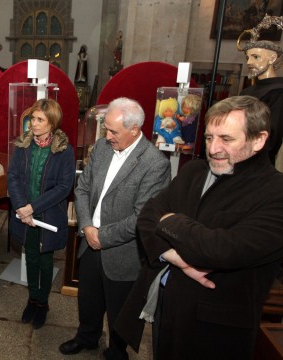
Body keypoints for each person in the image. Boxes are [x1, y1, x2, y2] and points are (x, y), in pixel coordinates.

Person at [114, 96, 283, 360]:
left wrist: (170, 220)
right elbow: (147, 217)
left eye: (226, 139)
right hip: (167, 307)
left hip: (215, 330)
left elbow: (223, 249)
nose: (214, 148)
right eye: (208, 138)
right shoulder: (194, 170)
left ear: (258, 140)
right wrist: (174, 257)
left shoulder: (275, 191)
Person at [59, 97, 171, 359]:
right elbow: (83, 187)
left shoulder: (155, 164)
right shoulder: (102, 147)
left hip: (123, 253)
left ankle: (117, 350)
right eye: (106, 128)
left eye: (113, 131)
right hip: (90, 242)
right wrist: (87, 227)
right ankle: (87, 337)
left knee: (120, 308)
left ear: (134, 130)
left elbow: (141, 217)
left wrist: (103, 236)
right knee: (88, 299)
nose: (107, 135)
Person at [7, 99, 75, 329]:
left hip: (47, 216)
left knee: (46, 262)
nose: (33, 124)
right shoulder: (23, 145)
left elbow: (64, 187)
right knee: (31, 258)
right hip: (23, 214)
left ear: (52, 122)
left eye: (39, 120)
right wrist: (21, 207)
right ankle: (32, 299)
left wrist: (32, 208)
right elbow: (13, 177)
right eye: (32, 119)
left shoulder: (64, 150)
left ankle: (43, 303)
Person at [240, 39, 283, 165]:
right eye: (248, 58)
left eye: (255, 57)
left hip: (259, 160)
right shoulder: (247, 91)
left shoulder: (278, 91)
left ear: (272, 58)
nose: (249, 62)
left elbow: (273, 135)